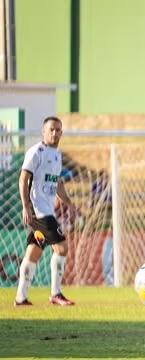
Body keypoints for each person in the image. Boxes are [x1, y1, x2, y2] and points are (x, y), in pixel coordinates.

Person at [14, 116, 77, 306]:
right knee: (62, 247)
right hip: (38, 210)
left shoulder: (57, 155)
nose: (55, 133)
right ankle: (55, 294)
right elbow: (23, 179)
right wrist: (26, 206)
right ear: (43, 131)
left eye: (58, 130)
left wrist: (69, 203)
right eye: (51, 129)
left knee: (34, 251)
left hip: (46, 209)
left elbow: (57, 183)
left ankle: (20, 297)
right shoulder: (36, 152)